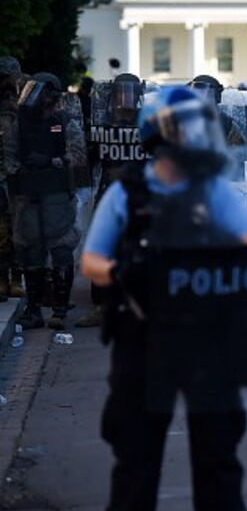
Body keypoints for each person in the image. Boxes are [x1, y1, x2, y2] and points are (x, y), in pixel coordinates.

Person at [81, 86, 247, 511]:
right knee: (136, 463)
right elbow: (93, 260)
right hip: (143, 336)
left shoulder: (216, 192)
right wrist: (120, 273)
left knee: (217, 462)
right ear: (159, 135)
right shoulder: (127, 193)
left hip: (207, 339)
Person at [9, 73, 85, 330]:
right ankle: (33, 310)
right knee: (31, 251)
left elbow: (77, 155)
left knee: (61, 249)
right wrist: (20, 172)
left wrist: (53, 162)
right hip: (29, 195)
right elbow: (9, 157)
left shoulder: (63, 122)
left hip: (56, 195)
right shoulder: (20, 123)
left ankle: (59, 311)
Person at [76, 73, 148, 328]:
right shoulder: (103, 123)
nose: (125, 98)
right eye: (121, 92)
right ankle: (103, 306)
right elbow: (89, 158)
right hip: (109, 192)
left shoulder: (147, 123)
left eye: (130, 92)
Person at [0, 57, 23, 299]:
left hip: (16, 177)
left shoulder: (20, 106)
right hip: (5, 176)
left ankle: (16, 278)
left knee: (18, 231)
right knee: (3, 231)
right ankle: (3, 278)